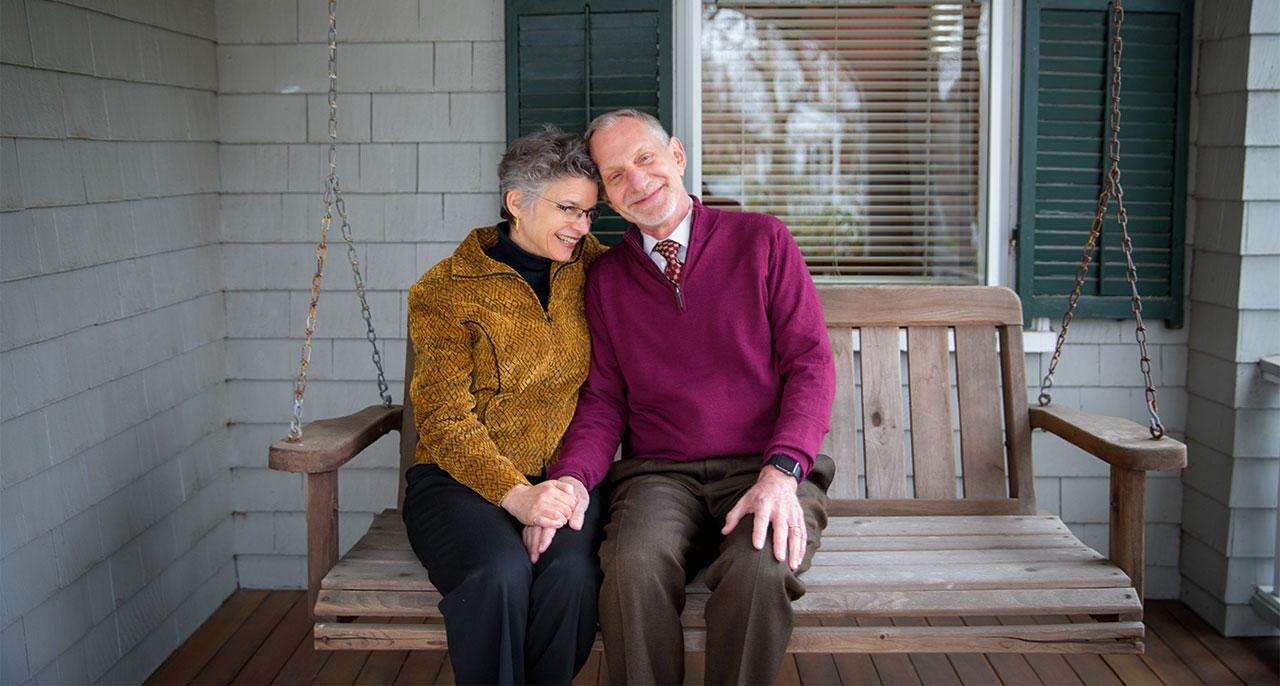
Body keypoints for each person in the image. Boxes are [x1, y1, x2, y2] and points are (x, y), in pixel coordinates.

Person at [539, 109, 837, 685]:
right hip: (659, 476)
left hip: (764, 467)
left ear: (677, 156)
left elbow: (811, 366)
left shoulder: (762, 241)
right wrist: (573, 478)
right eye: (616, 174)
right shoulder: (606, 281)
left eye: (644, 158)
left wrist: (781, 472)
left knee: (762, 569)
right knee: (629, 567)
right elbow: (604, 399)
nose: (637, 181)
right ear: (606, 195)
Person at [402, 126, 607, 685]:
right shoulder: (447, 289)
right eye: (569, 209)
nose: (582, 227)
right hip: (457, 483)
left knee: (572, 578)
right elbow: (443, 420)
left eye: (590, 213)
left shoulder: (599, 270)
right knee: (499, 573)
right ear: (518, 203)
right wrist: (517, 495)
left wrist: (557, 489)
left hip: (566, 479)